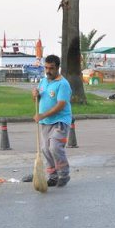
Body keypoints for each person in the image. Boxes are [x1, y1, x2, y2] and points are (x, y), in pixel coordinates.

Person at [33, 54, 72, 187]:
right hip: (46, 122)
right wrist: (35, 96)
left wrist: (42, 115)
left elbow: (60, 105)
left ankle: (64, 174)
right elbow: (38, 99)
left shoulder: (63, 84)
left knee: (55, 147)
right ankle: (53, 175)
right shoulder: (43, 81)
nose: (48, 71)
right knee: (45, 149)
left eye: (52, 68)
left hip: (60, 121)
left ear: (58, 68)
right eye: (46, 68)